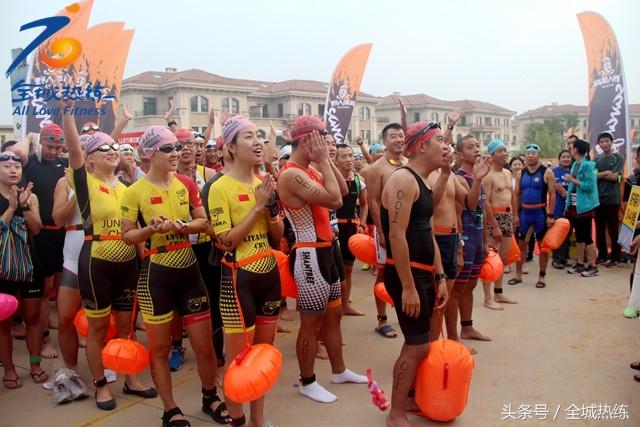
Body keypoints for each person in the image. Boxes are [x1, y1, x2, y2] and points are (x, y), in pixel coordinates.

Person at [121, 125, 228, 427]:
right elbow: (127, 236)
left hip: (189, 270)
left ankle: (210, 397)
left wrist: (181, 226)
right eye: (168, 148)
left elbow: (204, 223)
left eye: (177, 147)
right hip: (156, 275)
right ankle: (170, 409)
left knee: (205, 345)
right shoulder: (134, 191)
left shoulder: (186, 183)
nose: (176, 153)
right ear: (150, 153)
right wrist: (151, 229)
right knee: (160, 349)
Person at [62, 112, 156, 410]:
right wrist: (67, 113)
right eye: (104, 148)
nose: (113, 151)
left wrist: (144, 265)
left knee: (126, 328)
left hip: (127, 264)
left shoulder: (127, 188)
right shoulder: (85, 183)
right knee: (99, 329)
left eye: (115, 147)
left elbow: (136, 232)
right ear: (89, 158)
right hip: (96, 262)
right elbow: (74, 150)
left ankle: (130, 378)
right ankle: (101, 384)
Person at [278, 115, 367, 404]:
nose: (326, 144)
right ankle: (307, 381)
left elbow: (343, 190)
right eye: (321, 139)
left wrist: (325, 160)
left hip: (328, 249)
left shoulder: (311, 170)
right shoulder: (291, 174)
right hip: (309, 253)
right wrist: (325, 162)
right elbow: (335, 201)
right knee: (311, 323)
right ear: (306, 140)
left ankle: (339, 371)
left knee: (333, 316)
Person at [209, 115, 283, 427]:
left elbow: (277, 235)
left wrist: (271, 209)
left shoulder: (262, 183)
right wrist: (257, 207)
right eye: (249, 137)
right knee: (240, 362)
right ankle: (237, 420)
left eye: (259, 136)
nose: (257, 142)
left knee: (262, 357)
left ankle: (258, 420)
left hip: (268, 274)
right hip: (239, 279)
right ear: (231, 147)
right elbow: (226, 241)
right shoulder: (219, 188)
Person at [380, 121, 449, 427]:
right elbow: (396, 236)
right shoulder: (403, 180)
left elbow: (428, 233)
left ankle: (408, 398)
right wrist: (408, 286)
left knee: (420, 342)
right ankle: (395, 413)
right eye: (440, 141)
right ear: (422, 146)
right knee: (416, 345)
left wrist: (440, 276)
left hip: (424, 274)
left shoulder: (423, 181)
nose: (445, 146)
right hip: (406, 275)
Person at [10, 126, 67, 359]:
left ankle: (65, 333)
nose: (54, 151)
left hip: (62, 233)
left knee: (62, 288)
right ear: (41, 141)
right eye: (49, 146)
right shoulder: (29, 162)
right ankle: (45, 340)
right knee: (44, 290)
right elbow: (17, 152)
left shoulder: (63, 164)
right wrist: (28, 137)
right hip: (39, 234)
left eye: (58, 147)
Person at [0, 150, 47, 389]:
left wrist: (25, 205)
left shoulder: (30, 196)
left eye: (17, 166)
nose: (13, 170)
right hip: (2, 268)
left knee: (33, 317)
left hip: (30, 264)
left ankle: (35, 364)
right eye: (7, 166)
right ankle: (9, 369)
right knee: (3, 323)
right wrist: (10, 208)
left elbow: (36, 229)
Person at [360, 123, 406, 338]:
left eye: (401, 135)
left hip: (408, 229)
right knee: (384, 273)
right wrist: (380, 231)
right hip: (387, 228)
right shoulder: (376, 169)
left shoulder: (409, 164)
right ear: (385, 141)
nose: (398, 139)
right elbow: (374, 201)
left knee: (407, 271)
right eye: (393, 136)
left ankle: (405, 313)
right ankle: (382, 319)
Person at [454, 136, 492, 342]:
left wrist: (485, 241)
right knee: (458, 288)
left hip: (477, 238)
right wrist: (477, 180)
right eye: (470, 147)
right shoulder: (459, 178)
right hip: (465, 238)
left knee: (471, 285)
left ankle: (467, 327)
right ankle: (453, 337)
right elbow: (469, 205)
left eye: (477, 146)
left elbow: (482, 211)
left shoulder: (479, 176)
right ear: (459, 155)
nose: (476, 149)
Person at [512, 143, 556, 288]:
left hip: (540, 213)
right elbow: (516, 195)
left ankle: (541, 276)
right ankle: (518, 274)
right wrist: (515, 215)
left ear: (538, 155)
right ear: (525, 156)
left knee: (543, 246)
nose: (530, 155)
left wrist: (550, 215)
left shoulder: (547, 172)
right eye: (528, 153)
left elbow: (552, 194)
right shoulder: (520, 173)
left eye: (533, 153)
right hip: (525, 213)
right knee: (521, 245)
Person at [482, 139, 517, 307]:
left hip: (507, 216)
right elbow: (485, 202)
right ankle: (487, 297)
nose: (504, 154)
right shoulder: (488, 176)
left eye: (505, 150)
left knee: (503, 258)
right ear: (492, 154)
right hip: (494, 217)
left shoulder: (508, 173)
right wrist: (494, 225)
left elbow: (512, 196)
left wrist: (514, 216)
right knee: (491, 258)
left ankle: (499, 293)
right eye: (500, 151)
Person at [335, 143, 368, 316]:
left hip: (351, 228)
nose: (349, 159)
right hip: (334, 229)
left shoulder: (358, 181)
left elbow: (364, 204)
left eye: (351, 155)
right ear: (335, 160)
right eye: (344, 156)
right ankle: (332, 306)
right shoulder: (330, 179)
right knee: (335, 270)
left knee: (348, 269)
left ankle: (345, 304)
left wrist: (362, 224)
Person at [564, 139, 600, 277]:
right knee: (579, 235)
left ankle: (593, 264)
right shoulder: (575, 165)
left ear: (576, 150)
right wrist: (568, 204)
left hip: (585, 206)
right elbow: (571, 188)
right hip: (575, 205)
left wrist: (572, 180)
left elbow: (590, 186)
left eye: (571, 147)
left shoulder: (588, 166)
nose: (570, 150)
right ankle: (580, 263)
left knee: (586, 236)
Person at [594, 131, 624, 267]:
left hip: (612, 199)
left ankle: (616, 257)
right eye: (602, 142)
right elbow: (593, 177)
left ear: (612, 142)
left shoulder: (618, 158)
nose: (604, 144)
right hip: (598, 199)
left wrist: (602, 174)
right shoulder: (596, 160)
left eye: (607, 141)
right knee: (599, 229)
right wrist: (607, 173)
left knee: (613, 229)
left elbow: (615, 177)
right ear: (599, 144)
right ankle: (602, 255)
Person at [552, 149, 573, 269]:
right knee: (558, 233)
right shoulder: (555, 171)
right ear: (559, 159)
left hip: (571, 208)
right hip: (559, 207)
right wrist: (564, 192)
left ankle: (564, 258)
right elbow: (556, 186)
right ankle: (556, 259)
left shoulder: (573, 171)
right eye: (563, 157)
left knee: (568, 233)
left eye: (568, 157)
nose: (566, 159)